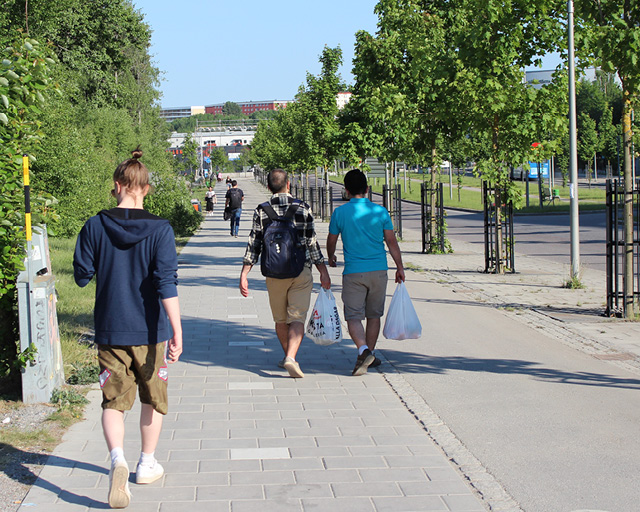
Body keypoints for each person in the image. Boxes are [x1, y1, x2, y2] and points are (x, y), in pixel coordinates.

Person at [73, 148, 183, 509]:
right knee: (153, 399)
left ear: (116, 186)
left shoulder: (94, 225)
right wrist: (177, 329)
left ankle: (117, 459)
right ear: (146, 189)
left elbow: (81, 276)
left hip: (110, 328)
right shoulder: (161, 229)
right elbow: (166, 283)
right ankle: (146, 463)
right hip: (150, 332)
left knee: (113, 402)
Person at [240, 168, 331, 378]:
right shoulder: (303, 208)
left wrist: (244, 274)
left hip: (274, 273)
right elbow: (312, 243)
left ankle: (288, 357)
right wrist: (323, 271)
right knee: (297, 317)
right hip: (301, 271)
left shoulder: (262, 210)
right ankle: (291, 357)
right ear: (288, 184)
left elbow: (254, 244)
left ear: (268, 186)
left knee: (281, 320)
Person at [326, 169, 405, 376]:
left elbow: (331, 240)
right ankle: (369, 354)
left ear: (346, 190)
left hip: (354, 272)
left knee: (353, 317)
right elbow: (391, 242)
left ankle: (363, 351)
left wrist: (331, 256)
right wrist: (399, 267)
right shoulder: (380, 212)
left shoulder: (340, 213)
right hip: (379, 270)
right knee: (373, 315)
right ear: (367, 189)